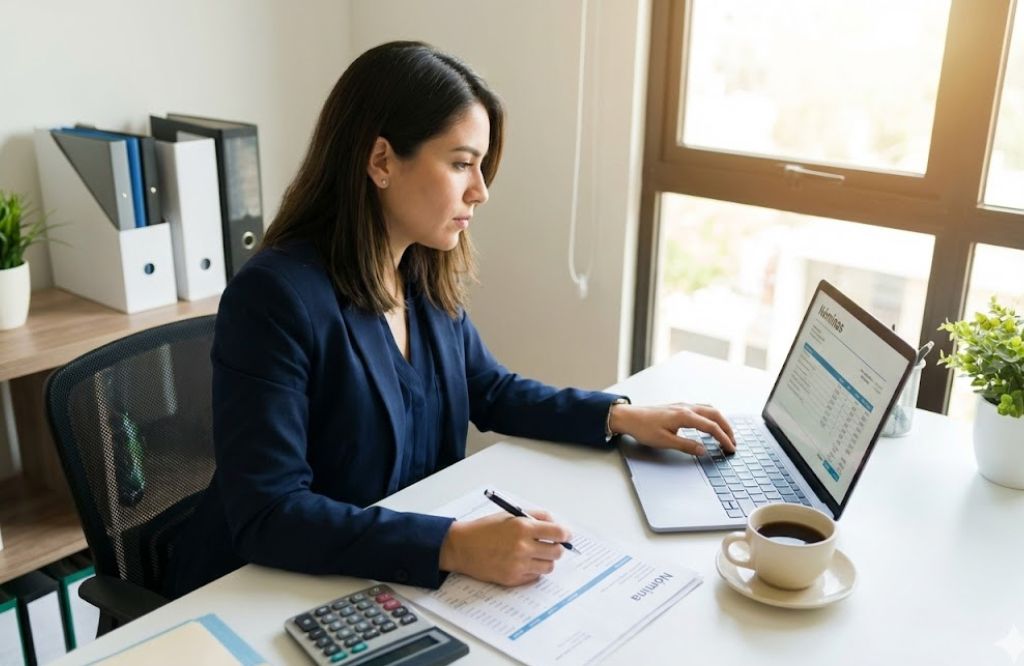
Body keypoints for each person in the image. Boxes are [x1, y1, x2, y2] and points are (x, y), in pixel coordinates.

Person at [165, 41, 735, 598]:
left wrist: (617, 416)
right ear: (381, 160)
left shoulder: (419, 270)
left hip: (379, 574)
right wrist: (453, 546)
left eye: (481, 166)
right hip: (259, 589)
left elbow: (491, 390)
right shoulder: (274, 297)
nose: (480, 191)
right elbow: (270, 513)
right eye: (462, 163)